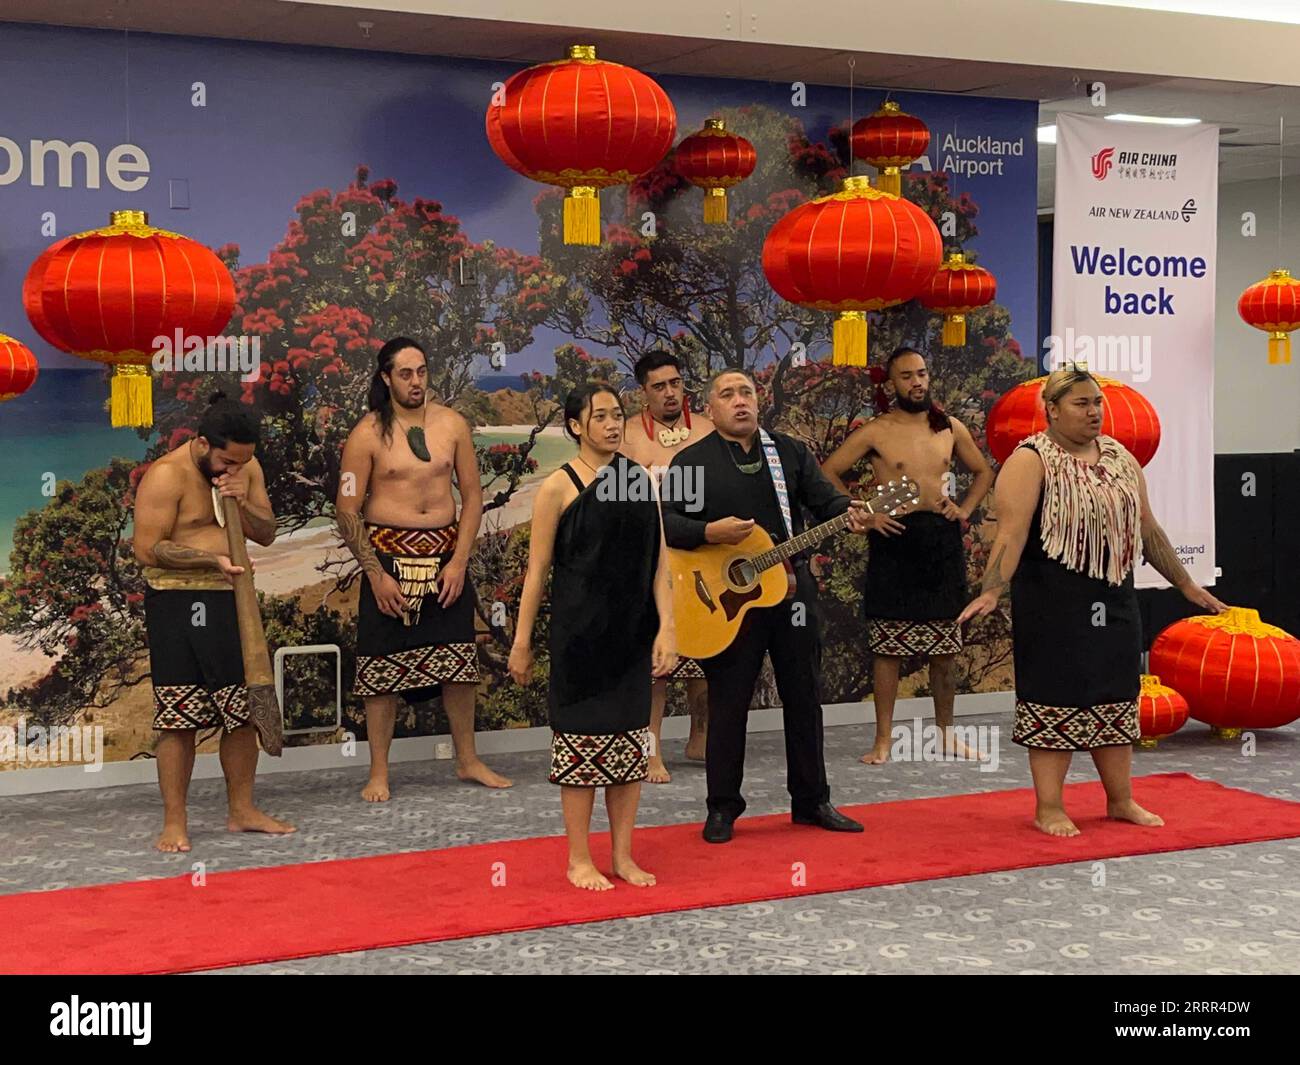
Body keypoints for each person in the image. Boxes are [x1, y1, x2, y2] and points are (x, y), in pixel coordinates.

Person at [958, 365, 1227, 836]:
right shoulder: (1029, 460)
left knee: (1116, 697)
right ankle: (1049, 807)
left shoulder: (1121, 457)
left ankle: (1121, 799)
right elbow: (1012, 534)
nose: (1093, 412)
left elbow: (1147, 528)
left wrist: (1186, 584)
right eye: (1081, 404)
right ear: (1053, 410)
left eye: (1097, 403)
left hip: (1114, 593)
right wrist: (992, 590)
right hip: (1052, 597)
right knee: (1054, 698)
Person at [662, 369, 873, 843]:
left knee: (804, 699)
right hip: (727, 604)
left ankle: (812, 800)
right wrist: (708, 532)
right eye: (728, 395)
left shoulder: (789, 453)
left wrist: (851, 513)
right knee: (729, 705)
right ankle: (722, 807)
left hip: (792, 594)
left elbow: (826, 502)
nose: (740, 402)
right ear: (709, 408)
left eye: (747, 393)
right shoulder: (691, 462)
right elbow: (668, 525)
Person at [509, 382, 676, 890]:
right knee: (580, 751)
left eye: (618, 415)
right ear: (577, 426)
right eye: (600, 416)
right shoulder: (556, 488)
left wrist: (667, 627)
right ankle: (579, 859)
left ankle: (623, 855)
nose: (611, 423)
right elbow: (536, 572)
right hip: (578, 637)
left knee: (629, 748)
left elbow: (660, 562)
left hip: (632, 635)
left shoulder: (640, 482)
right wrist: (521, 642)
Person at [336, 337, 509, 802]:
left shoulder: (452, 425)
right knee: (380, 669)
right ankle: (377, 771)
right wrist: (374, 574)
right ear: (386, 378)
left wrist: (459, 561)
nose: (416, 382)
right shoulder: (367, 434)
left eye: (422, 371)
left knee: (458, 662)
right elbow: (347, 509)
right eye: (406, 374)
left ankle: (467, 759)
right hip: (387, 560)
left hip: (444, 558)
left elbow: (472, 496)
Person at [133, 393, 296, 853]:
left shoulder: (247, 467)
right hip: (176, 602)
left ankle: (241, 809)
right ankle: (174, 821)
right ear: (203, 444)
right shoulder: (166, 475)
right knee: (178, 716)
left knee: (241, 713)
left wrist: (242, 501)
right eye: (226, 460)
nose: (233, 469)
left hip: (233, 600)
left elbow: (266, 533)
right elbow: (146, 548)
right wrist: (209, 561)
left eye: (242, 462)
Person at [823, 347, 994, 764]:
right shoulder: (876, 430)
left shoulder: (949, 426)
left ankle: (947, 735)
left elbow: (984, 471)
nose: (916, 382)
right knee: (887, 649)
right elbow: (829, 471)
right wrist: (864, 513)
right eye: (907, 376)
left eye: (921, 374)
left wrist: (965, 510)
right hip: (894, 537)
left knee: (945, 647)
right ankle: (883, 739)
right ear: (891, 384)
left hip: (940, 539)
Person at [620, 350, 714, 782]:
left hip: (704, 558)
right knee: (657, 663)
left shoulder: (710, 431)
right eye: (659, 386)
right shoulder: (627, 438)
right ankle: (651, 748)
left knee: (705, 654)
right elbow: (616, 502)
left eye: (675, 383)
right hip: (649, 561)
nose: (670, 392)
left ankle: (700, 736)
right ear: (644, 393)